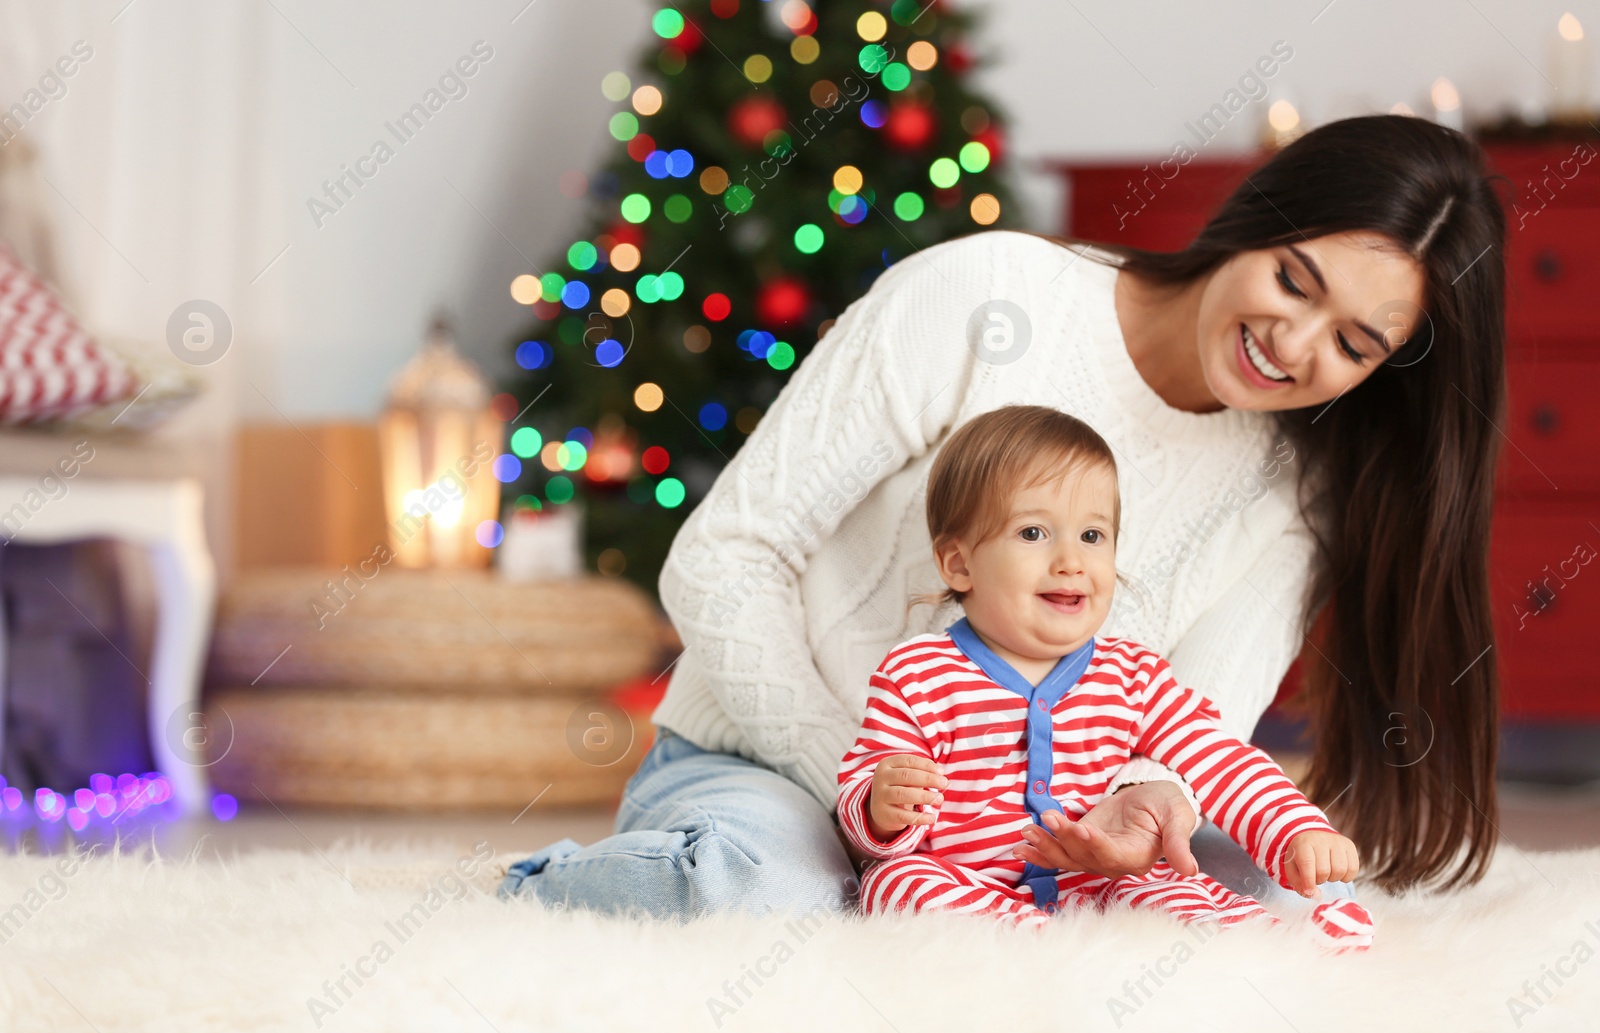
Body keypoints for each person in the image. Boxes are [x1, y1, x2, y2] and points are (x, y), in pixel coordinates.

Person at [499, 114, 1507, 918]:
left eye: (1354, 343)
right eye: (1293, 279)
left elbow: (1188, 720)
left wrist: (1140, 813)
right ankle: (537, 887)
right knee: (771, 893)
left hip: (1024, 829)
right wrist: (859, 788)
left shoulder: (1297, 489)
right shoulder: (988, 296)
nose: (1291, 343)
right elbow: (724, 555)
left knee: (1252, 899)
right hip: (769, 759)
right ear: (1256, 217)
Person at [837, 404, 1374, 949]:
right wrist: (880, 812)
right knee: (895, 884)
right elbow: (861, 801)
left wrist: (1296, 827)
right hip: (973, 884)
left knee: (1170, 885)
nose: (1071, 560)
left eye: (1092, 536)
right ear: (959, 565)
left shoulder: (1131, 675)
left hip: (1101, 885)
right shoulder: (917, 674)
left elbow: (1220, 759)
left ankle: (1272, 945)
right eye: (1033, 532)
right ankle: (1028, 942)